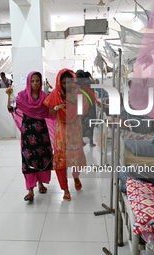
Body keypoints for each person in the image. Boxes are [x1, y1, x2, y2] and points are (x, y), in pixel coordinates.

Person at [6, 71, 54, 202]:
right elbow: (11, 109)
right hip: (28, 132)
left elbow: (48, 112)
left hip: (41, 132)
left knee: (42, 157)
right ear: (28, 82)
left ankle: (41, 183)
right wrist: (9, 96)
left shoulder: (44, 96)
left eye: (37, 80)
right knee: (29, 159)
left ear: (40, 81)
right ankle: (30, 190)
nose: (35, 83)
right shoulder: (21, 96)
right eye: (32, 81)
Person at [43, 69, 89, 201]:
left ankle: (75, 177)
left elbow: (84, 109)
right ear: (59, 83)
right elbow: (51, 112)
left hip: (75, 131)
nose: (66, 85)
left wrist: (73, 100)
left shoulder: (78, 93)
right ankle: (65, 189)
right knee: (61, 162)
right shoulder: (55, 94)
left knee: (76, 158)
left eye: (69, 82)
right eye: (63, 83)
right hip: (62, 133)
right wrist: (57, 107)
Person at [76, 70, 96, 147]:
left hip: (81, 106)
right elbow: (95, 83)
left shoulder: (77, 84)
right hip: (90, 106)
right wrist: (90, 75)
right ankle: (91, 142)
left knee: (81, 124)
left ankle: (82, 142)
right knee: (91, 124)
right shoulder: (90, 82)